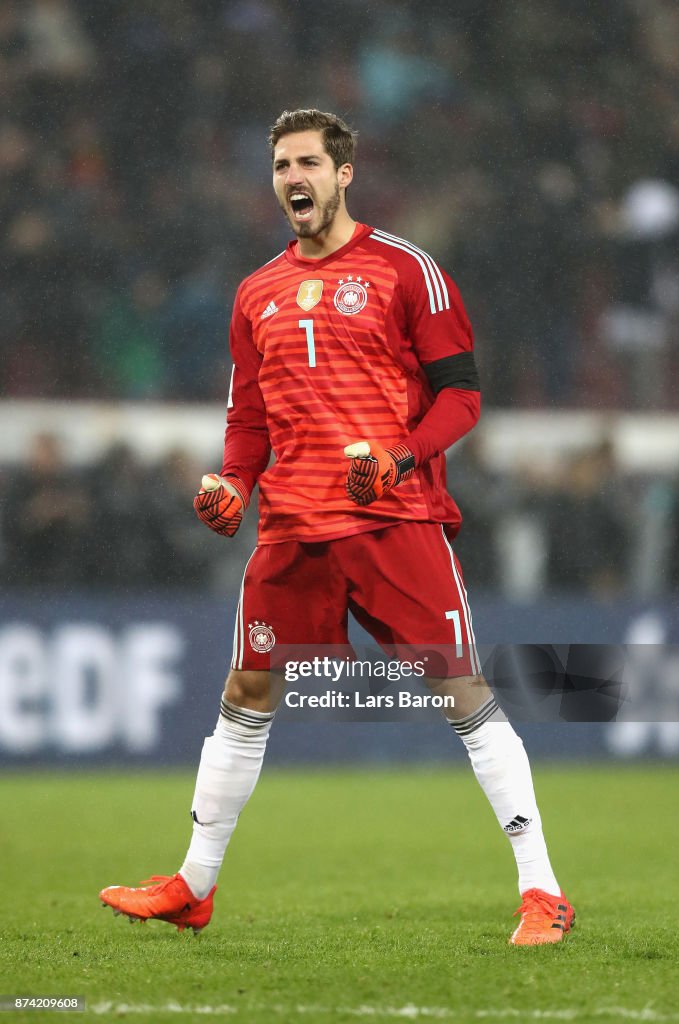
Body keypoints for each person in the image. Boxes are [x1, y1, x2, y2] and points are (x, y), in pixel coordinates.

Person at [100, 109, 574, 945]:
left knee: (461, 692)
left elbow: (462, 396)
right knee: (245, 692)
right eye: (282, 164)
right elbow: (248, 416)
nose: (294, 178)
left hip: (395, 517)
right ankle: (194, 885)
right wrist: (233, 484)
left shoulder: (406, 271)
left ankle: (544, 892)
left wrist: (399, 457)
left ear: (344, 173)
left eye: (309, 163)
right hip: (291, 524)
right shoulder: (256, 292)